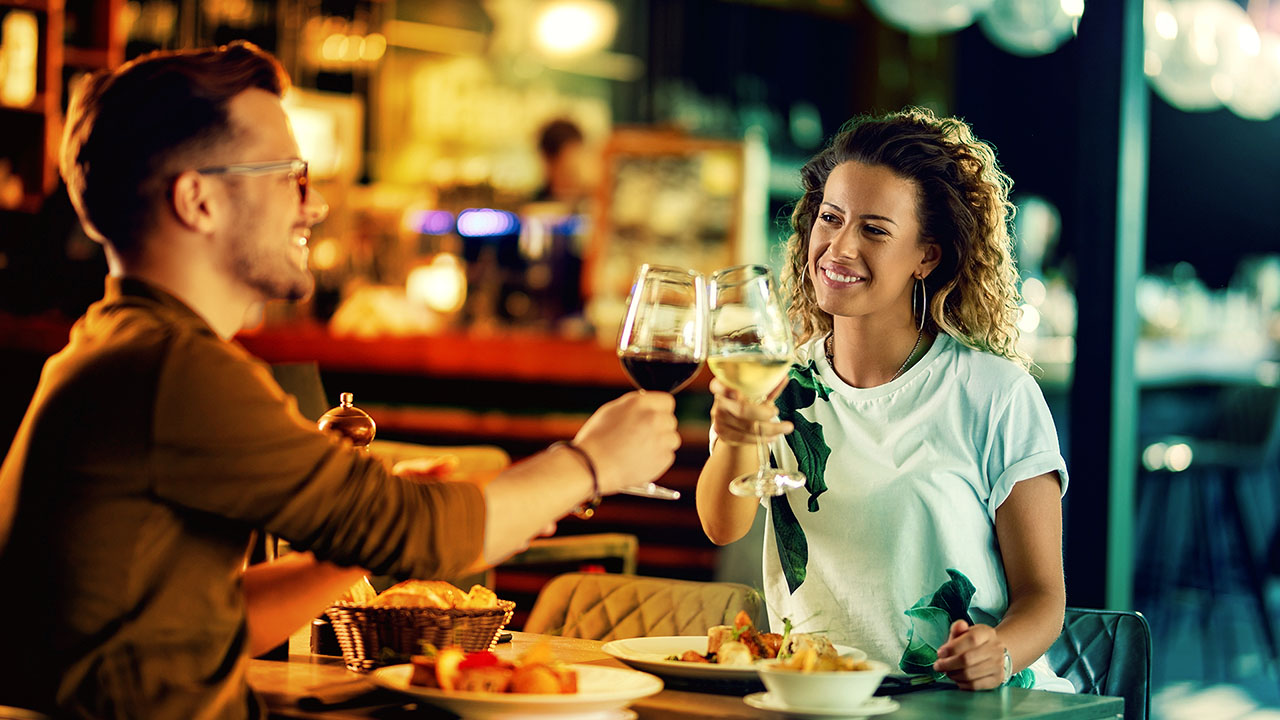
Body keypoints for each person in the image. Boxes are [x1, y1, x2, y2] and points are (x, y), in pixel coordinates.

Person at [0, 41, 680, 718]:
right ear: (198, 200)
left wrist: (353, 546)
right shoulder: (174, 370)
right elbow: (416, 534)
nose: (316, 205)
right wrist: (594, 462)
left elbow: (205, 628)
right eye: (289, 177)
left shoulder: (125, 347)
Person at [696, 107, 1071, 692]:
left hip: (971, 706)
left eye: (874, 230)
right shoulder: (776, 380)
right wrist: (737, 442)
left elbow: (1044, 599)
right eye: (830, 218)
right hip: (821, 696)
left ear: (928, 255)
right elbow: (722, 526)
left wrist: (998, 650)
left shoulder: (996, 394)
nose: (839, 248)